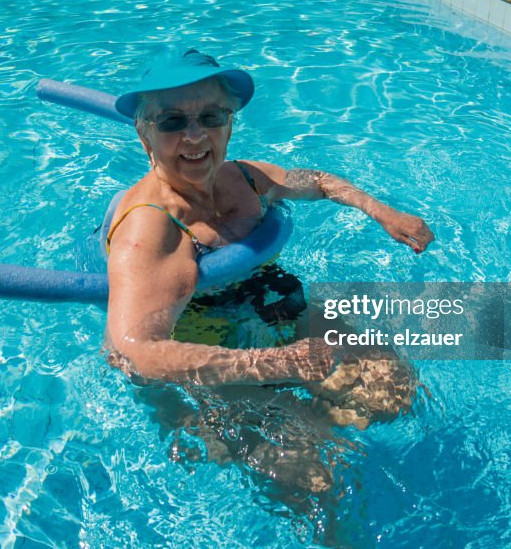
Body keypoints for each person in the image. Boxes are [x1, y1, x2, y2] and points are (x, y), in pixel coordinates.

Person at [105, 48, 434, 390]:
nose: (195, 135)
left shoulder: (246, 178)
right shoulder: (150, 229)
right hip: (205, 344)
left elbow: (318, 182)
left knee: (393, 386)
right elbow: (136, 353)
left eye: (211, 117)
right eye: (172, 121)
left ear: (229, 125)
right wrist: (274, 363)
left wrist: (384, 213)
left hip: (272, 301)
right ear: (145, 136)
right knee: (302, 444)